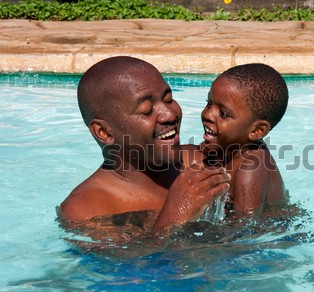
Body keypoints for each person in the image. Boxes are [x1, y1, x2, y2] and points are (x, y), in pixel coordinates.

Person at [58, 56, 230, 236]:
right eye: (147, 110)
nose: (169, 114)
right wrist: (175, 215)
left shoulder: (198, 162)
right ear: (104, 132)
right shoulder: (85, 210)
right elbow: (132, 264)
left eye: (169, 99)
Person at [196, 63, 289, 219]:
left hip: (274, 232)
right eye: (209, 103)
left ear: (256, 131)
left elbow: (244, 230)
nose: (208, 115)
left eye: (223, 114)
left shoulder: (250, 168)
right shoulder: (224, 147)